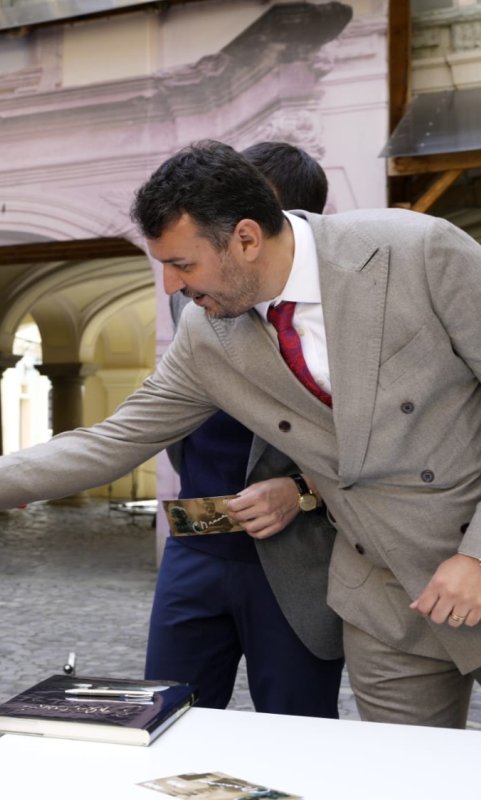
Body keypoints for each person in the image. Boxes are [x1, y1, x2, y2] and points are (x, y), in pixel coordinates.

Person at [0, 140, 481, 731]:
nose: (171, 285)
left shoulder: (416, 251)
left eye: (183, 265)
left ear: (245, 238)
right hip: (385, 607)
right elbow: (118, 437)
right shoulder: (209, 332)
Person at [148, 142, 344, 718]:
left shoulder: (340, 307)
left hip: (297, 558)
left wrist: (304, 490)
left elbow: (385, 436)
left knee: (296, 730)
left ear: (259, 230)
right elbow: (145, 421)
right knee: (165, 719)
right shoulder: (194, 302)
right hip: (196, 538)